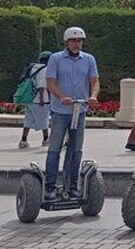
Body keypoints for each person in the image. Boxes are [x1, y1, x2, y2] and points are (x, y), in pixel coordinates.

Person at [44, 27, 100, 200]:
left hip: (80, 110)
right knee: (54, 149)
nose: (77, 44)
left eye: (79, 41)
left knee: (76, 150)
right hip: (61, 111)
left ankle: (73, 185)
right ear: (67, 42)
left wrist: (93, 96)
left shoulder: (89, 59)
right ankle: (50, 186)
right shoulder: (56, 59)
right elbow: (50, 83)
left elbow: (95, 81)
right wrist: (61, 97)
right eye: (73, 41)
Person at [19, 51, 52, 149]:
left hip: (29, 98)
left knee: (28, 120)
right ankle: (46, 139)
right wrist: (42, 99)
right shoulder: (45, 69)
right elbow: (42, 85)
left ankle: (23, 140)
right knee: (44, 119)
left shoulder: (33, 67)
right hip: (40, 99)